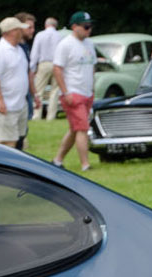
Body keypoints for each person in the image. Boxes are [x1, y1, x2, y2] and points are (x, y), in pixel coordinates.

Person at [53, 11, 96, 170]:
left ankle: (57, 160)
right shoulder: (65, 45)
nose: (88, 29)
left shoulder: (90, 44)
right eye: (85, 27)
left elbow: (93, 67)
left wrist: (93, 89)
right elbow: (57, 69)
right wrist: (66, 92)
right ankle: (85, 164)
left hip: (87, 92)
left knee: (75, 129)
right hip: (73, 92)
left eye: (90, 26)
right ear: (74, 27)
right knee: (82, 128)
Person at [0, 16, 32, 150]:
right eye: (19, 30)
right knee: (5, 144)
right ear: (11, 32)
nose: (22, 32)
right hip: (5, 105)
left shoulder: (19, 50)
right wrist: (0, 100)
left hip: (19, 104)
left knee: (18, 140)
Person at [31, 17, 63, 118]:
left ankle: (36, 115)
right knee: (55, 91)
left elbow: (35, 53)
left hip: (43, 63)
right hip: (56, 64)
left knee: (38, 90)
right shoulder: (60, 36)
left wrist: (32, 68)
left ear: (46, 25)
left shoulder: (40, 35)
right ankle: (51, 116)